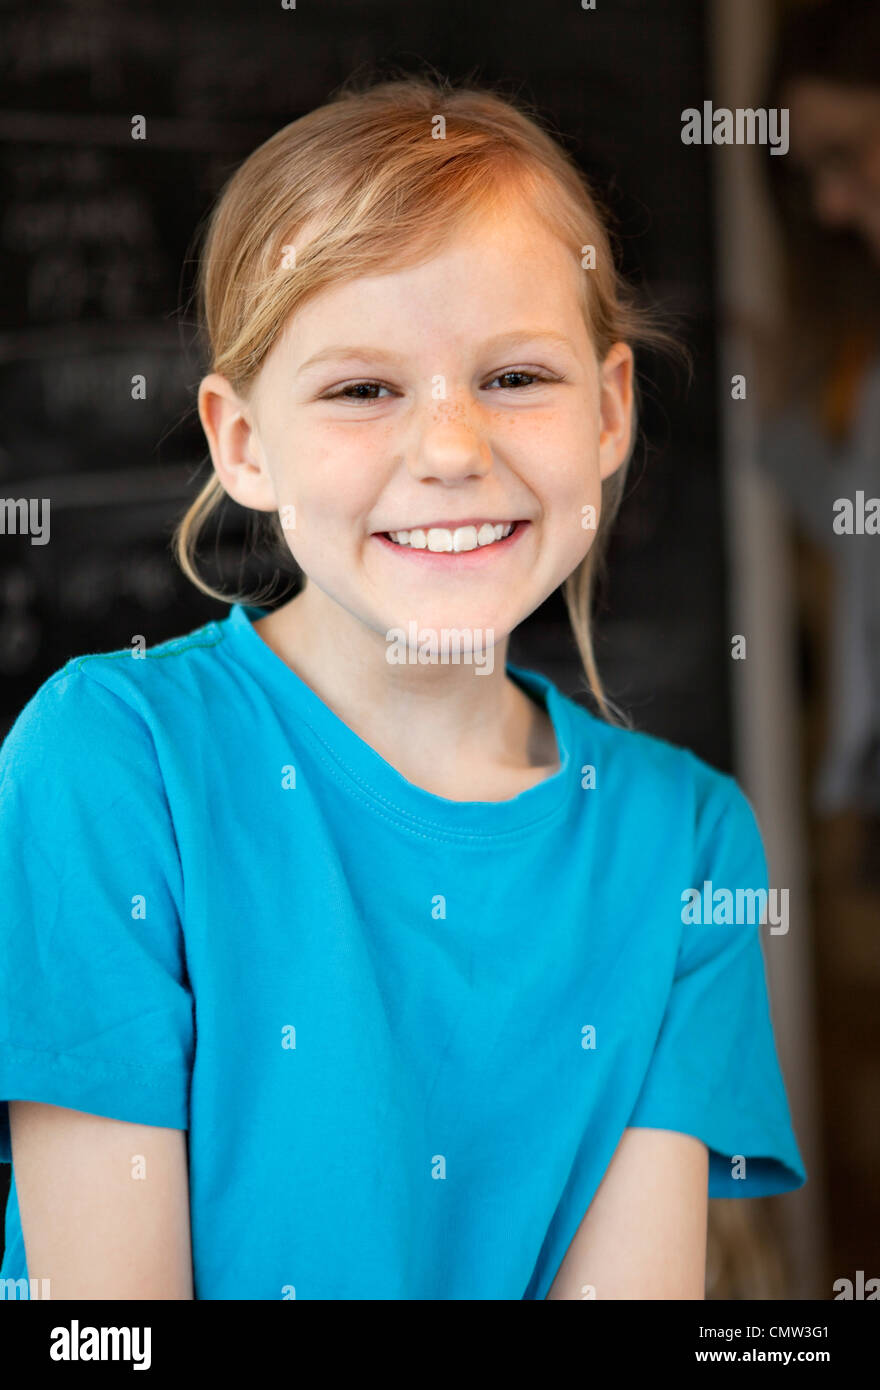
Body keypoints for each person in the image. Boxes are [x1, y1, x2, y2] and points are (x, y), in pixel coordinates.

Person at [0, 73, 805, 1301]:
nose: (448, 450)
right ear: (243, 443)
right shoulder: (110, 762)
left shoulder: (689, 844)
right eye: (362, 388)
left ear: (609, 409)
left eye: (516, 378)